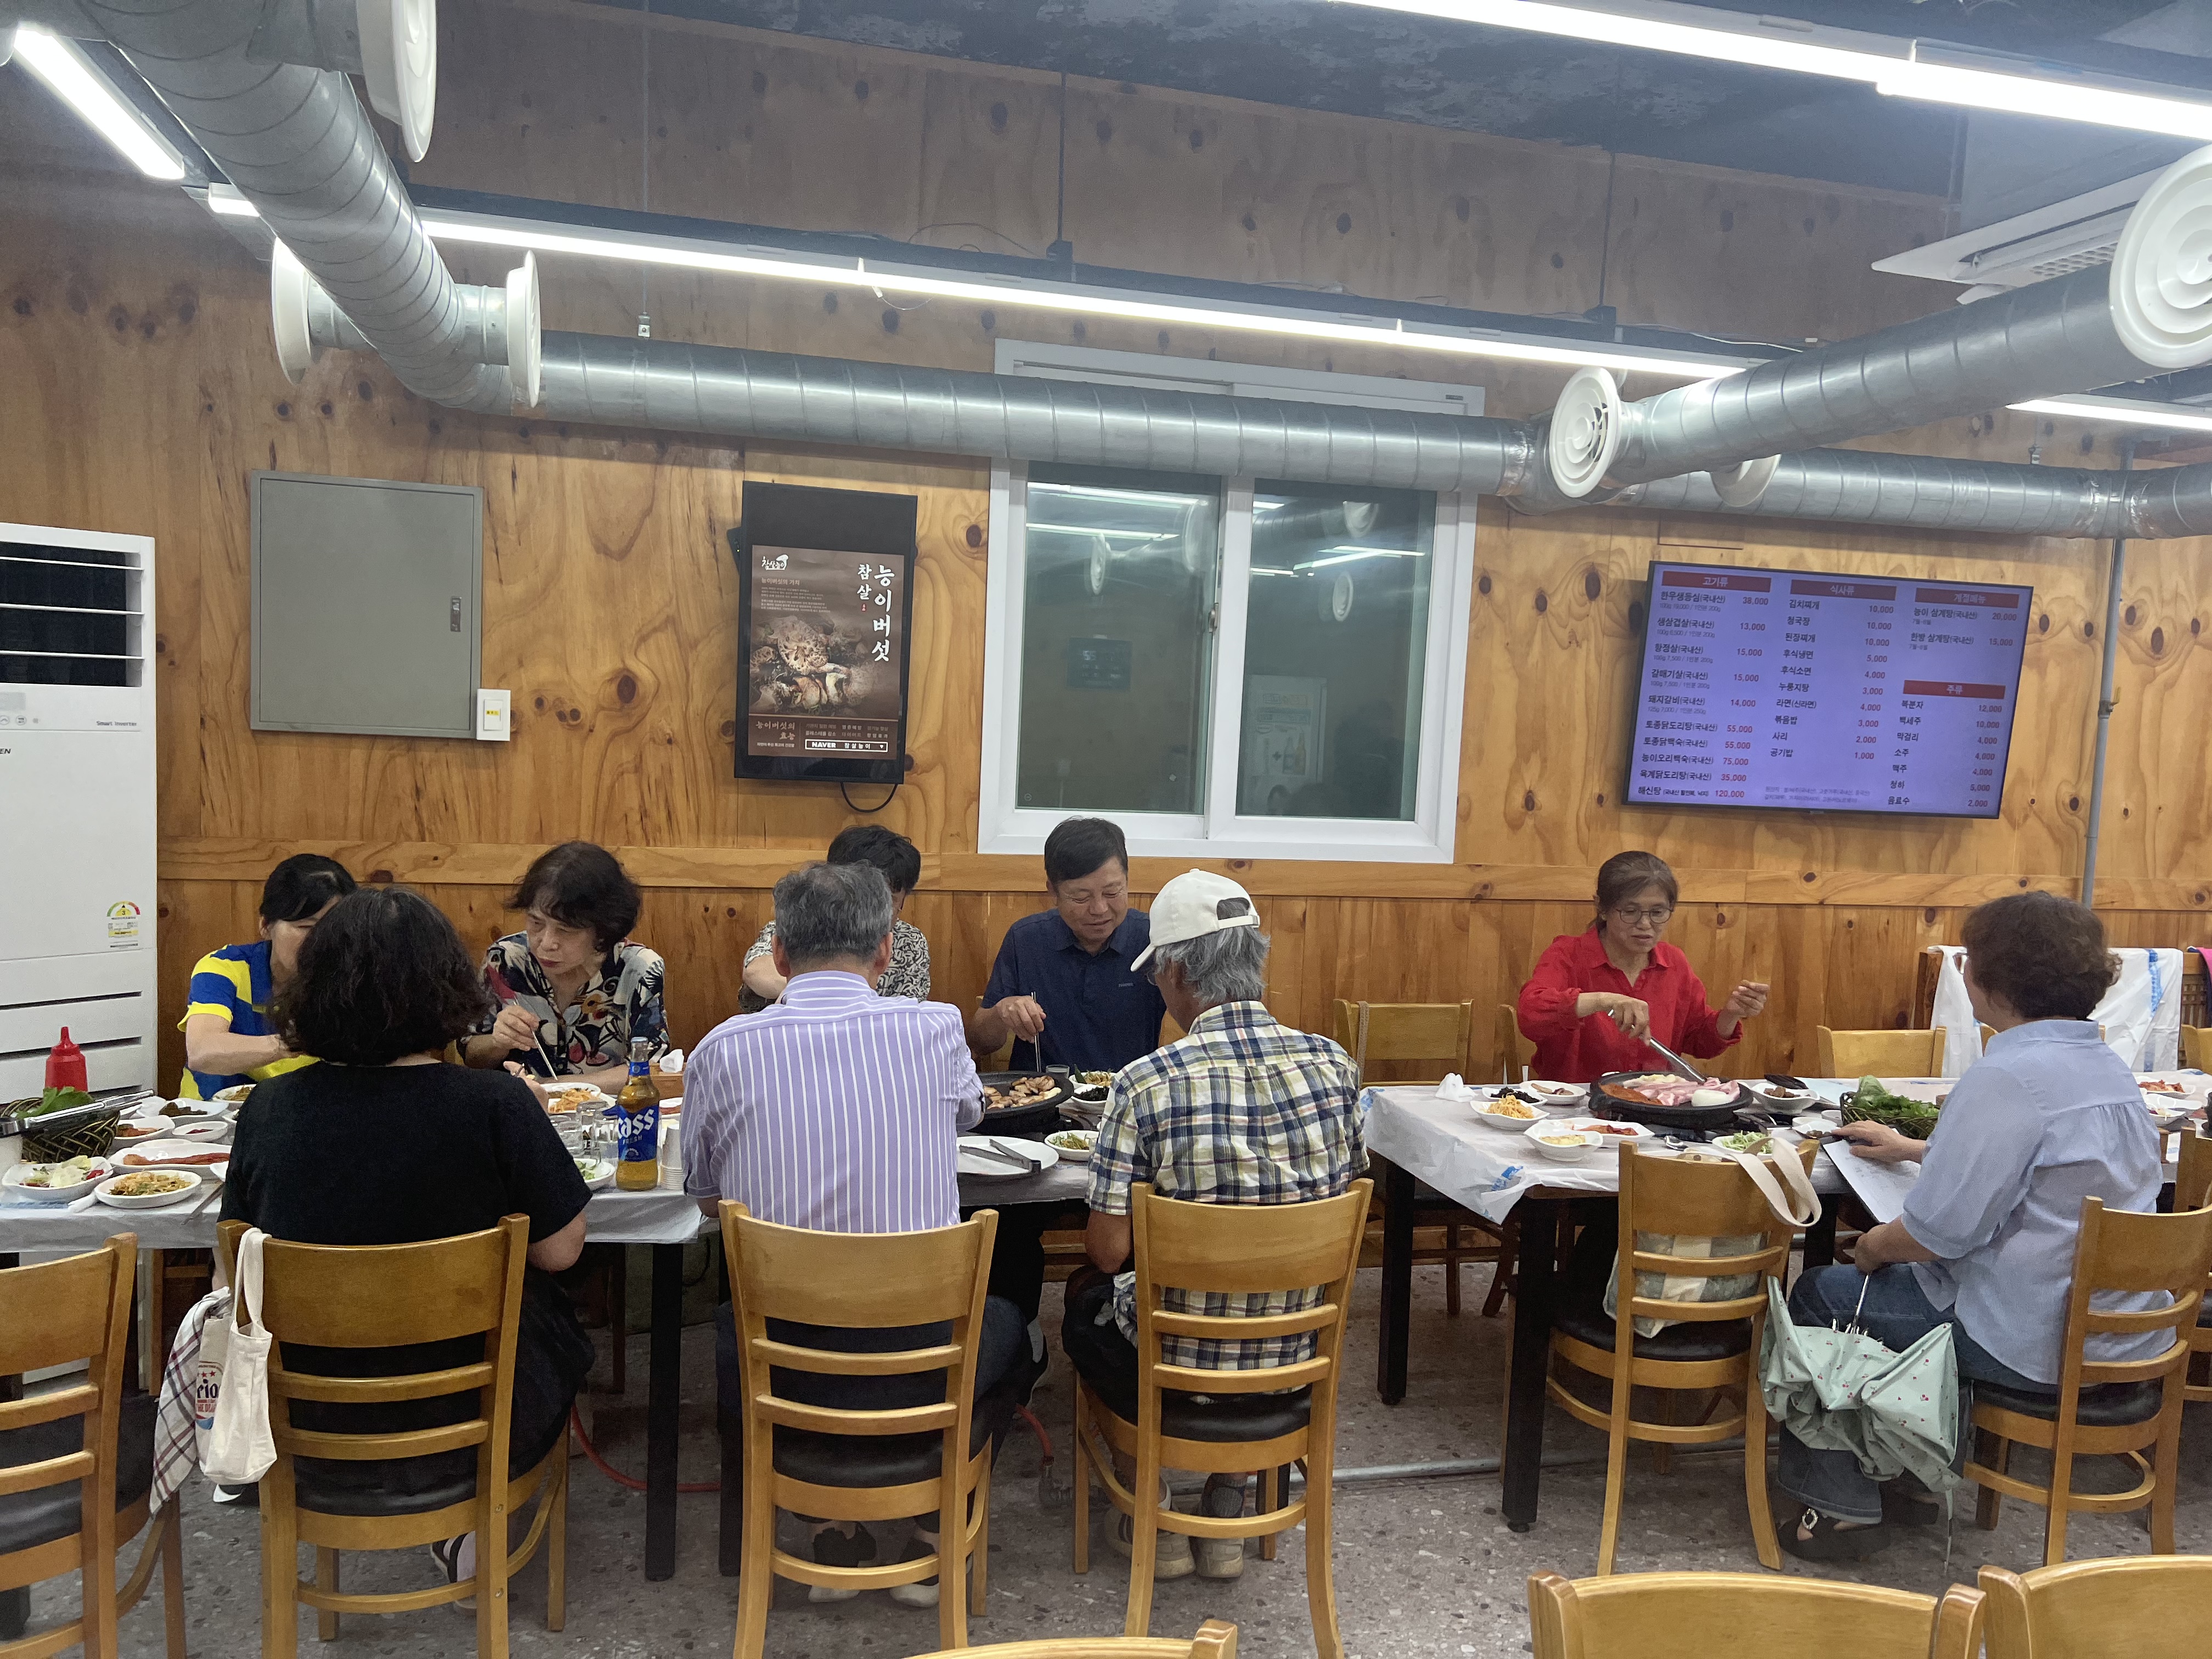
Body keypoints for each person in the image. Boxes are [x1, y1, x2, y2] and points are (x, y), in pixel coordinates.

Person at [221, 885, 594, 1595]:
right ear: (444, 987)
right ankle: (470, 1518)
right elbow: (560, 1251)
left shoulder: (268, 1109)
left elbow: (233, 1275)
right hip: (477, 1408)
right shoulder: (494, 1103)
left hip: (311, 1416)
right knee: (547, 1320)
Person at [1775, 891, 2166, 1561]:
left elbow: (1936, 1236)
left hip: (2035, 1341)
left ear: (1992, 980)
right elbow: (2043, 1164)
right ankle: (1912, 1479)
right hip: (2124, 1330)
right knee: (1902, 1295)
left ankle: (1838, 1512)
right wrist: (1915, 1149)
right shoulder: (2107, 1066)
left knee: (1824, 1295)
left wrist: (1871, 1247)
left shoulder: (2007, 1074)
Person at [682, 861, 1025, 1612]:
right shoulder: (935, 1027)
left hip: (785, 1370)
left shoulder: (720, 1050)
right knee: (1015, 1333)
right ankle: (928, 1530)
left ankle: (828, 1526)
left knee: (732, 1328)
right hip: (922, 1366)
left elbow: (707, 1199)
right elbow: (969, 1113)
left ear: (779, 956)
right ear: (885, 951)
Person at [1063, 869, 1364, 1583]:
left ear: (1175, 973)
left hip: (1176, 1364)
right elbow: (1349, 1189)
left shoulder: (1146, 1081)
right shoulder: (1336, 1065)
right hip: (1298, 1358)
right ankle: (1230, 1496)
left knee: (1082, 1301)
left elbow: (1107, 1252)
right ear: (1254, 956)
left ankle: (1151, 1504)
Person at [967, 816, 1170, 1358]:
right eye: (1081, 897)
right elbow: (980, 1040)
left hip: (1134, 1114)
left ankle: (1132, 1322)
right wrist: (1002, 1013)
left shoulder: (1154, 939)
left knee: (1159, 1209)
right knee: (1005, 1212)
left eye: (1113, 892)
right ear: (1052, 891)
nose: (1100, 909)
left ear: (1128, 881)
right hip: (1041, 1113)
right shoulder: (1027, 939)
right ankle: (1017, 1331)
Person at [1514, 850, 1769, 1083]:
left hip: (1653, 1103)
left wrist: (1731, 1015)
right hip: (1577, 1105)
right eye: (1630, 911)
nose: (1645, 924)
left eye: (1657, 913)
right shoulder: (1568, 954)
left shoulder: (1674, 962)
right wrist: (1602, 1000)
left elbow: (1700, 1043)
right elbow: (1530, 1015)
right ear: (1602, 908)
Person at [462, 842, 666, 1092]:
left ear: (603, 930)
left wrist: (553, 1087)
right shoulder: (506, 959)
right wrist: (498, 1042)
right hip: (520, 1109)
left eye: (566, 930)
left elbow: (650, 1068)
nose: (546, 944)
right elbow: (471, 1056)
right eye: (536, 923)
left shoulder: (638, 969)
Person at [178, 853, 357, 1099]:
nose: (321, 940)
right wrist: (291, 1042)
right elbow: (203, 1052)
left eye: (334, 928)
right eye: (306, 927)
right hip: (212, 1114)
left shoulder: (352, 977)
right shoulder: (225, 968)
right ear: (265, 925)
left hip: (303, 1112)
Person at [738, 823, 930, 1012]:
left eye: (888, 899)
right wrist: (825, 997)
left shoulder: (910, 941)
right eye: (858, 895)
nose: (871, 907)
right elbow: (756, 971)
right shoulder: (800, 923)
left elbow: (908, 1014)